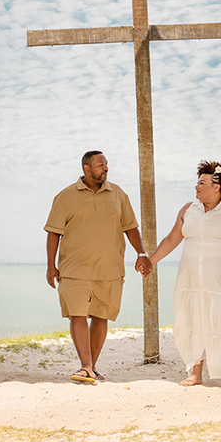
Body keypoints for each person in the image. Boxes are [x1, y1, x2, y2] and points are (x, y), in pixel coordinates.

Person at [142, 161, 221, 390]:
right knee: (192, 321)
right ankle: (195, 372)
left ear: (217, 186)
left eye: (202, 183)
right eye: (197, 182)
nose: (196, 187)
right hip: (190, 281)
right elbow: (172, 239)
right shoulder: (188, 210)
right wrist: (150, 261)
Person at [46, 151, 150, 384]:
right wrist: (51, 266)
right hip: (74, 270)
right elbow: (53, 232)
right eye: (100, 164)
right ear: (86, 167)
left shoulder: (118, 194)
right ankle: (86, 365)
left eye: (106, 165)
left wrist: (141, 253)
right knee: (78, 314)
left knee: (101, 317)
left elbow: (131, 227)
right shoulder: (65, 196)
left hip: (110, 269)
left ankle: (90, 367)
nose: (105, 168)